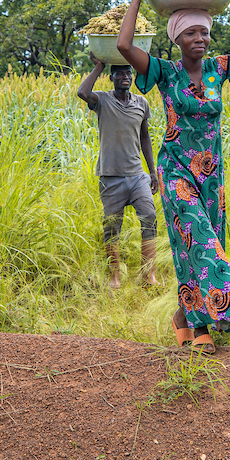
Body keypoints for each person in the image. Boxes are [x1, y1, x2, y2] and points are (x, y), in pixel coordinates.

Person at [116, 0, 230, 354]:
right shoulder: (164, 72)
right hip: (174, 172)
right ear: (177, 38)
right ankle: (208, 319)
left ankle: (184, 317)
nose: (200, 39)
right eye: (191, 32)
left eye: (204, 32)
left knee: (193, 244)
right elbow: (124, 46)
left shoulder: (219, 69)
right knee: (201, 239)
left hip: (211, 176)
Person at [77, 56, 161, 288]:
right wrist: (99, 66)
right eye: (120, 73)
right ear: (112, 78)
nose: (125, 77)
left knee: (149, 217)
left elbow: (145, 137)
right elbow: (83, 93)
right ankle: (114, 277)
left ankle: (148, 275)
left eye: (129, 73)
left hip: (137, 175)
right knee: (112, 226)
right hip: (110, 176)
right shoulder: (102, 100)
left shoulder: (141, 103)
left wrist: (152, 171)